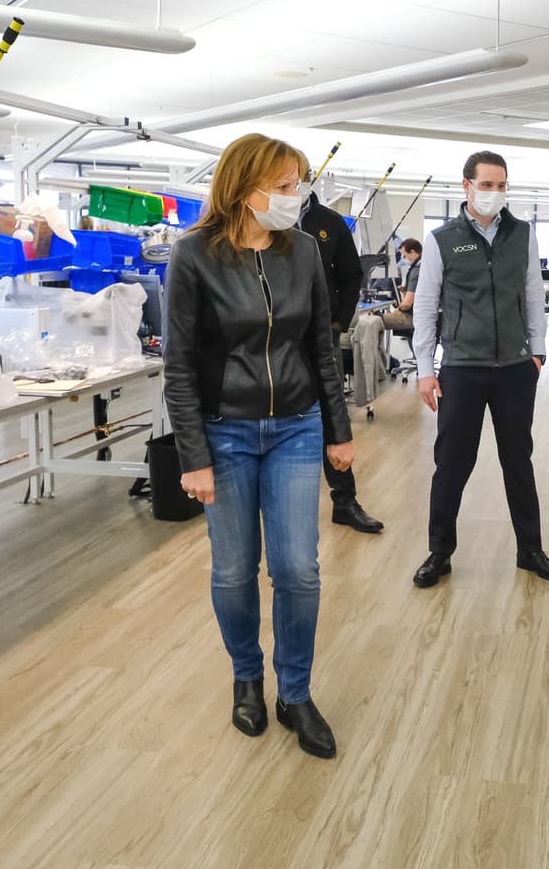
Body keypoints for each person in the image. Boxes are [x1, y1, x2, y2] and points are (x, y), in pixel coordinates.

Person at [164, 133, 355, 760]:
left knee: (298, 568)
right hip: (225, 433)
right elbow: (180, 367)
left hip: (297, 426)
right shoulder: (193, 256)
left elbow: (320, 347)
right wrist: (193, 455)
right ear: (246, 190)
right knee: (233, 568)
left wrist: (339, 431)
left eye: (296, 183)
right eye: (283, 184)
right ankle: (247, 676)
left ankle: (294, 692)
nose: (294, 196)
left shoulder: (302, 251)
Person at [410, 150, 549, 588]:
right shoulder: (442, 239)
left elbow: (534, 293)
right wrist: (426, 367)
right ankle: (439, 552)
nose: (495, 192)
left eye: (501, 185)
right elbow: (425, 305)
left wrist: (538, 353)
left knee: (519, 460)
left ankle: (530, 550)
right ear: (467, 186)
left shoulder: (522, 234)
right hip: (462, 368)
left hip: (516, 368)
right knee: (452, 464)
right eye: (487, 184)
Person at [298, 161, 385, 534]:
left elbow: (351, 274)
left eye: (298, 178)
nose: (293, 186)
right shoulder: (264, 221)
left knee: (332, 415)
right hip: (274, 338)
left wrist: (340, 319)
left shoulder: (329, 222)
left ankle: (345, 501)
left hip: (322, 333)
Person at [381, 237, 422, 331]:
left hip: (412, 317)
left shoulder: (416, 270)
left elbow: (407, 304)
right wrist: (406, 288)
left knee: (373, 320)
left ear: (412, 252)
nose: (403, 259)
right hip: (421, 314)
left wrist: (398, 309)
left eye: (404, 256)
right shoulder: (424, 266)